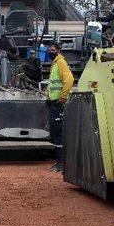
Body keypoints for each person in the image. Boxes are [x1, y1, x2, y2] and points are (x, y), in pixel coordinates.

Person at [46, 42, 74, 172]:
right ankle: (59, 162)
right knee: (55, 132)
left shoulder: (60, 62)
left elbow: (69, 80)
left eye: (52, 50)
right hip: (54, 101)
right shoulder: (55, 63)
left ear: (58, 51)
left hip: (58, 102)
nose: (49, 52)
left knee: (58, 132)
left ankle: (61, 163)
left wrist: (63, 96)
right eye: (48, 50)